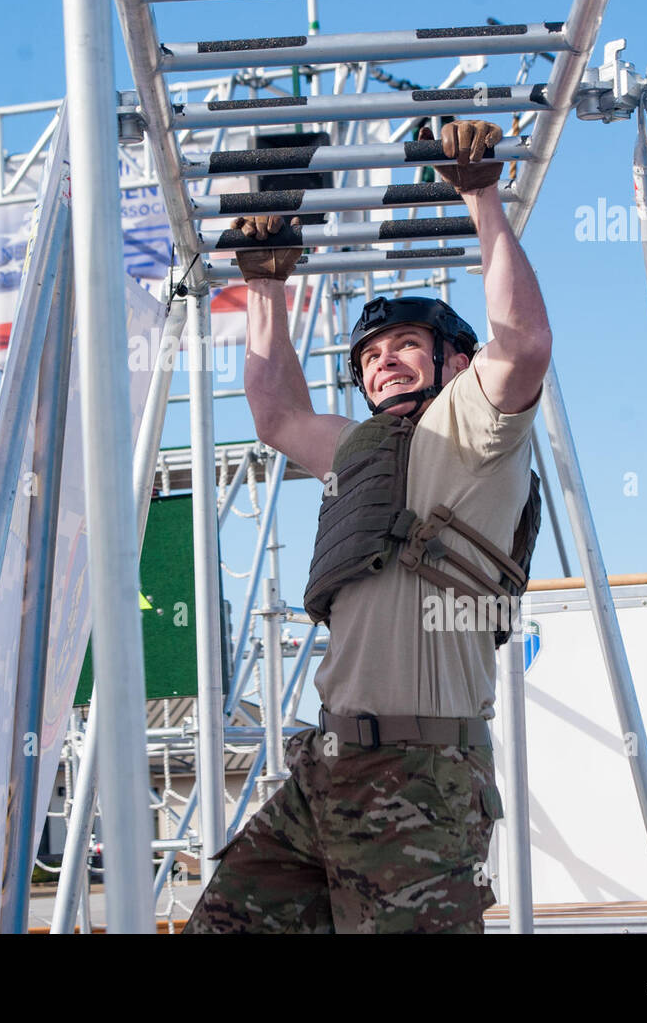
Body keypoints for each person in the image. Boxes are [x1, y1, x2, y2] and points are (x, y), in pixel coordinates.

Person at [184, 119, 552, 934]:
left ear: (455, 361)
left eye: (406, 344)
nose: (383, 358)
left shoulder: (474, 429)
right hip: (331, 767)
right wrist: (267, 279)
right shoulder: (361, 449)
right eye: (371, 351)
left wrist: (481, 195)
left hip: (421, 780)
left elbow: (524, 342)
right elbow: (277, 411)